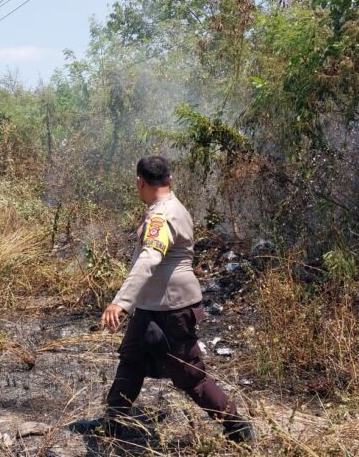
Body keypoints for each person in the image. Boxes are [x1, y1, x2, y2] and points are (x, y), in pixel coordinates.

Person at [99, 156, 253, 443]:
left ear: (139, 182)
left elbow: (150, 259)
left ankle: (237, 427)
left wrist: (120, 302)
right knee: (131, 361)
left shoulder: (162, 215)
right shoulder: (169, 207)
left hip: (171, 309)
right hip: (151, 307)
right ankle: (110, 423)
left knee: (190, 376)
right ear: (169, 179)